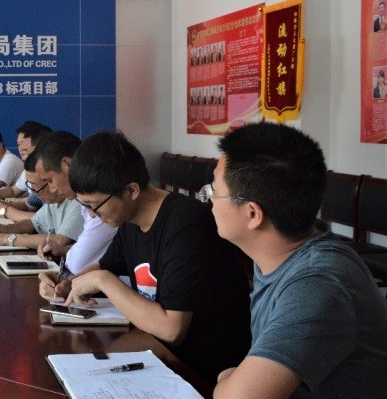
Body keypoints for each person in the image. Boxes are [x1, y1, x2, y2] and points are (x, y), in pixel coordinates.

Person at [207, 123, 387, 399]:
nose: (209, 200)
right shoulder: (284, 253)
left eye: (214, 191)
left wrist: (228, 379)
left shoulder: (319, 284)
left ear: (252, 214)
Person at [39, 131, 251, 385]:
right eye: (85, 206)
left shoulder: (186, 223)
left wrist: (103, 280)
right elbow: (101, 269)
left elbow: (172, 329)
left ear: (131, 190)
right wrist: (64, 284)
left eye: (95, 205)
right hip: (158, 360)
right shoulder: (130, 223)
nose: (92, 215)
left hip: (203, 375)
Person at [32, 131, 117, 275]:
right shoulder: (87, 204)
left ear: (67, 164)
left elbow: (77, 264)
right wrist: (64, 250)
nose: (52, 189)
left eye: (50, 180)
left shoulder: (103, 201)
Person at [0, 150, 83, 251]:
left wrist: (5, 239)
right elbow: (34, 223)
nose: (53, 188)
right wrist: (6, 229)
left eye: (49, 181)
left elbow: (60, 241)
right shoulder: (54, 200)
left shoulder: (79, 201)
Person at [0, 120, 52, 222]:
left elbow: (45, 219)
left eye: (23, 143)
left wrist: (5, 210)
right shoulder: (30, 169)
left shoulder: (51, 177)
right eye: (18, 144)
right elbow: (30, 204)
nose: (20, 148)